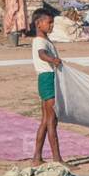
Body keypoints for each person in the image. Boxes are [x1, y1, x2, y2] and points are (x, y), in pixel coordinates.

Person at [30, 9, 64, 165]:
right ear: (38, 23)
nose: (51, 26)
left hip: (45, 79)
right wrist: (53, 60)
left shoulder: (45, 39)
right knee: (52, 120)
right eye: (49, 22)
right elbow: (41, 54)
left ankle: (37, 158)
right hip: (47, 79)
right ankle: (57, 159)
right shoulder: (39, 41)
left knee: (45, 120)